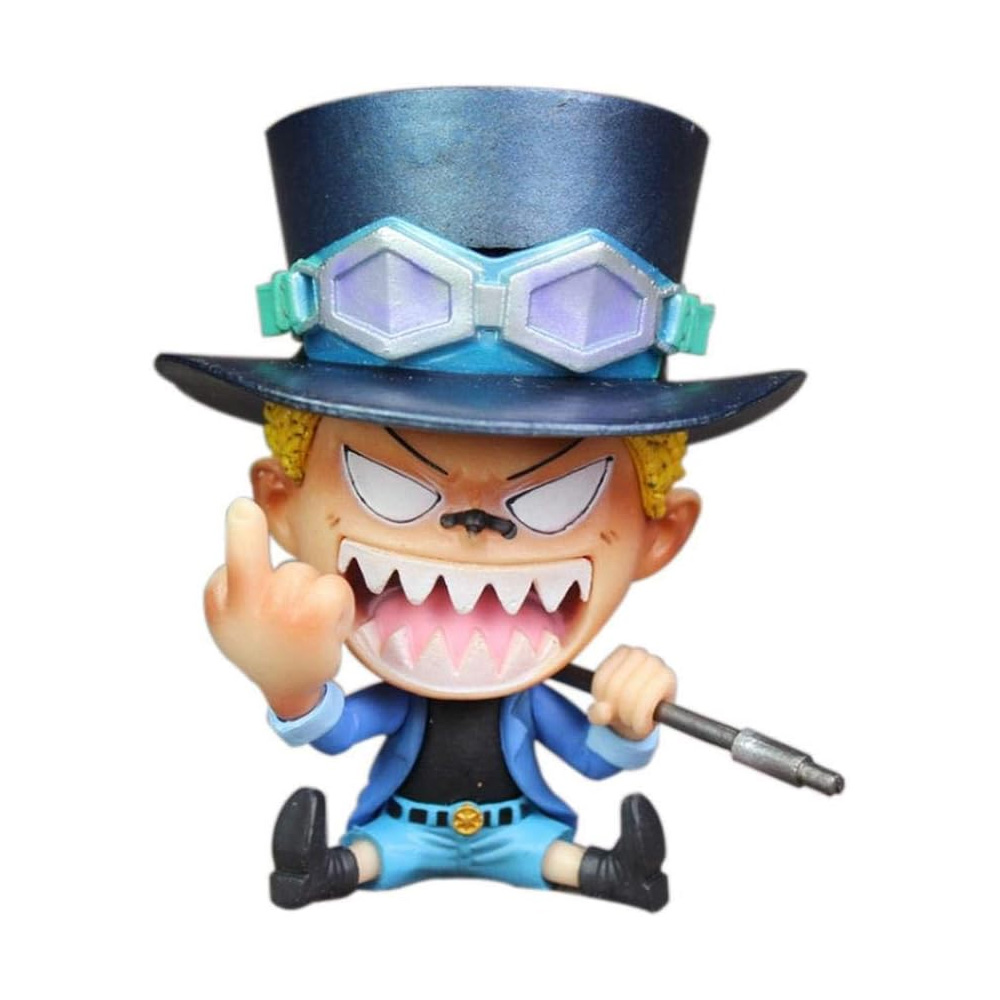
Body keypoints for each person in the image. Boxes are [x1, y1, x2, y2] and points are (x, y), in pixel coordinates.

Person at [156, 88, 804, 913]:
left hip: (518, 830)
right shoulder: (400, 676)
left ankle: (611, 873)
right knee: (375, 852)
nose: (475, 523)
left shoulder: (534, 690)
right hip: (403, 828)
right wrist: (288, 684)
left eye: (557, 496)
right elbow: (341, 729)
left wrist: (627, 717)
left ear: (658, 533)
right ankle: (328, 869)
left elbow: (593, 756)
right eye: (389, 484)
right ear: (279, 502)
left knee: (548, 853)